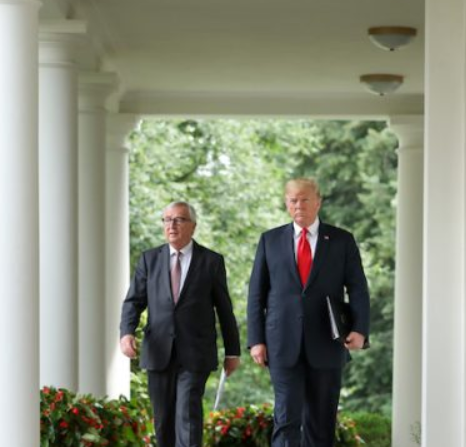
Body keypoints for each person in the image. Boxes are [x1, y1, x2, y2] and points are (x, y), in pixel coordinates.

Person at [247, 178, 370, 447]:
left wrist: (360, 329)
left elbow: (358, 288)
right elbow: (256, 293)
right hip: (281, 344)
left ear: (318, 202)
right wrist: (256, 340)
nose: (298, 205)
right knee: (286, 419)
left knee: (321, 424)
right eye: (293, 200)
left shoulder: (341, 240)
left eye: (304, 199)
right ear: (286, 203)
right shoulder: (270, 240)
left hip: (327, 342)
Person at [119, 201, 241, 447]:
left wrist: (233, 351)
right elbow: (133, 301)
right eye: (167, 220)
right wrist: (126, 332)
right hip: (158, 352)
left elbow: (224, 310)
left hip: (195, 353)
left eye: (179, 219)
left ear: (193, 226)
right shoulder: (149, 260)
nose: (171, 225)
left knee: (188, 415)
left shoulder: (211, 261)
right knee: (163, 421)